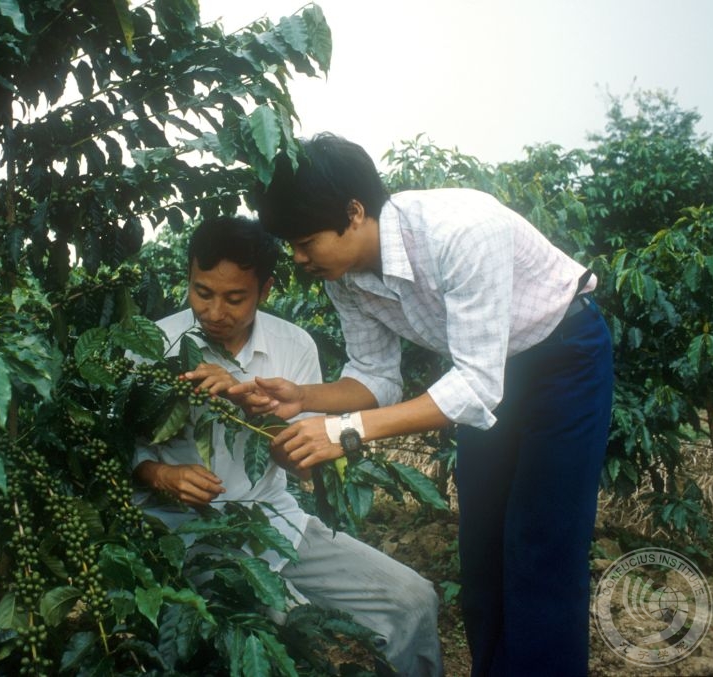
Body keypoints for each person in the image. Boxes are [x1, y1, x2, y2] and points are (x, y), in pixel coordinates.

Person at [236, 133, 614, 677]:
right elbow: (375, 377)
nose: (299, 258)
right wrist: (305, 399)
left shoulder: (460, 232)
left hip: (562, 358)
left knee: (542, 549)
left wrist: (343, 430)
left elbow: (476, 389)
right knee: (482, 549)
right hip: (482, 370)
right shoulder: (343, 277)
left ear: (355, 211)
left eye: (305, 241)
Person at [132, 215, 443, 676]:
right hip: (182, 532)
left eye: (235, 298)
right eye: (203, 292)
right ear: (189, 279)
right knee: (274, 627)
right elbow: (117, 451)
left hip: (276, 522)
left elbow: (298, 460)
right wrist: (162, 475)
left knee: (413, 601)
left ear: (266, 289)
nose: (216, 312)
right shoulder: (149, 345)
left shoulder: (293, 346)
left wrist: (247, 400)